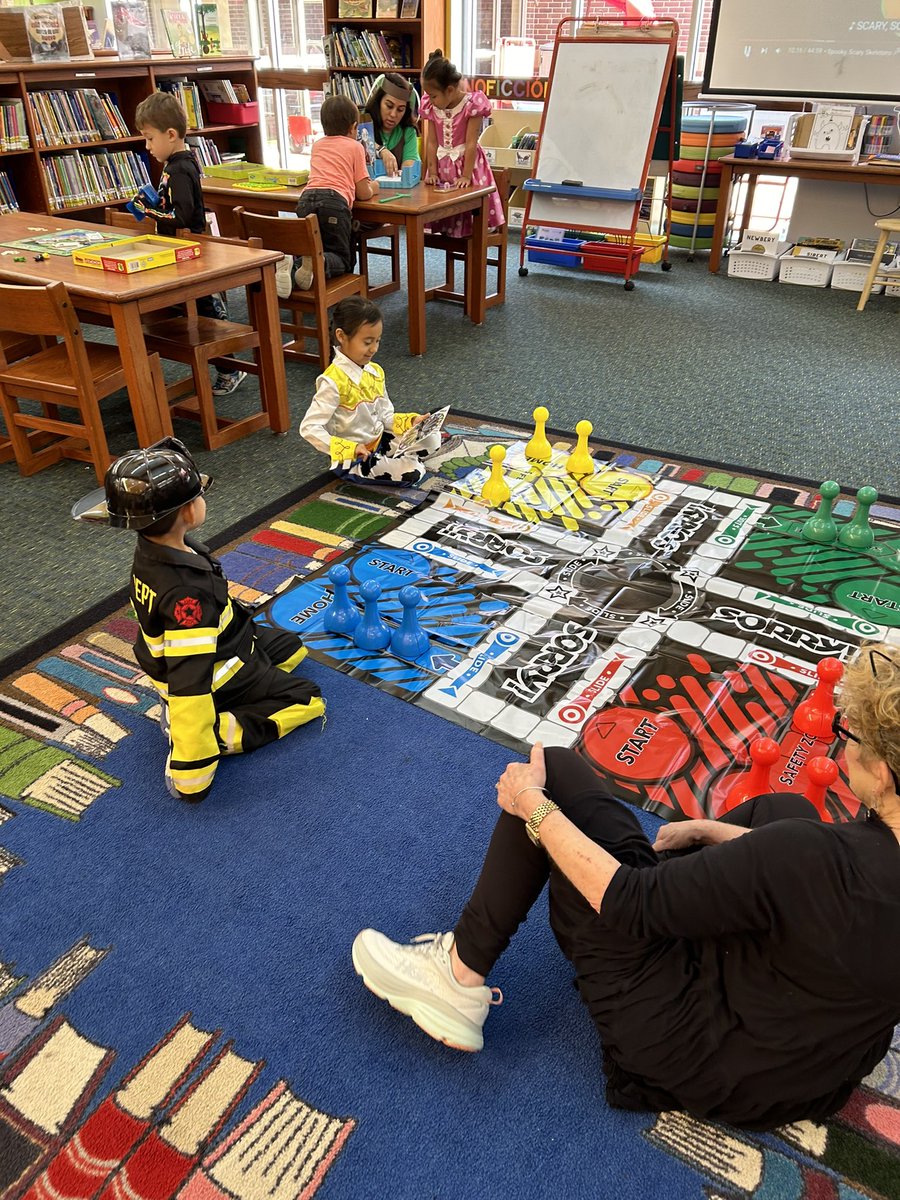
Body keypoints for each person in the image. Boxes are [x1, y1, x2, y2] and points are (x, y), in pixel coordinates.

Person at [352, 642, 900, 1131]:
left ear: (882, 771)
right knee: (786, 808)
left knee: (556, 774)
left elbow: (630, 903)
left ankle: (456, 977)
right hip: (809, 1079)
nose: (841, 746)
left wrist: (533, 806)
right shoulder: (832, 856)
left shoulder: (813, 855)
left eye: (850, 735)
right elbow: (817, 885)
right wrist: (713, 832)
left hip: (694, 1052)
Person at [72, 437, 325, 803]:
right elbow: (189, 676)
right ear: (188, 512)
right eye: (198, 496)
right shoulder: (186, 594)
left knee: (291, 648)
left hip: (228, 645)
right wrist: (193, 762)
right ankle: (217, 733)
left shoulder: (158, 553)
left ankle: (219, 701)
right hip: (217, 673)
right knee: (308, 698)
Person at [132, 92, 245, 399]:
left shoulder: (180, 169)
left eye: (150, 139)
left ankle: (229, 368)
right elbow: (172, 205)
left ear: (171, 135)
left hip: (190, 251)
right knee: (190, 311)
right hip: (178, 251)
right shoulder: (175, 164)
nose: (147, 146)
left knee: (207, 314)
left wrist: (149, 211)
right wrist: (155, 203)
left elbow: (180, 216)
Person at [299, 297, 440, 486]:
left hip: (381, 439)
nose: (373, 349)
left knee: (433, 438)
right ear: (341, 336)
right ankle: (392, 463)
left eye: (377, 341)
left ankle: (395, 459)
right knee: (412, 473)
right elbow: (309, 427)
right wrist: (350, 448)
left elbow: (385, 416)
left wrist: (412, 422)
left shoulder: (375, 371)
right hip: (357, 457)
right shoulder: (332, 382)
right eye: (367, 342)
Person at [280, 95, 379, 299]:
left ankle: (293, 266)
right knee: (343, 258)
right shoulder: (355, 147)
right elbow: (363, 193)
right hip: (334, 203)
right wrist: (374, 187)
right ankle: (317, 263)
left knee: (314, 246)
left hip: (306, 201)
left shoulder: (318, 145)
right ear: (353, 127)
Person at [419, 50, 504, 236]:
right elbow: (432, 142)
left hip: (469, 167)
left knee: (468, 203)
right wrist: (432, 172)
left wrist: (466, 176)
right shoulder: (432, 107)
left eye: (433, 96)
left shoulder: (472, 104)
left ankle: (473, 231)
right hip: (443, 167)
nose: (430, 100)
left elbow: (471, 142)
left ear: (450, 90)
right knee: (441, 207)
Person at [362, 73, 420, 177]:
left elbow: (409, 167)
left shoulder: (408, 132)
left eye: (400, 110)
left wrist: (405, 173)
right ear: (379, 102)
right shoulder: (364, 122)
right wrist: (382, 151)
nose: (393, 114)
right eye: (389, 106)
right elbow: (358, 144)